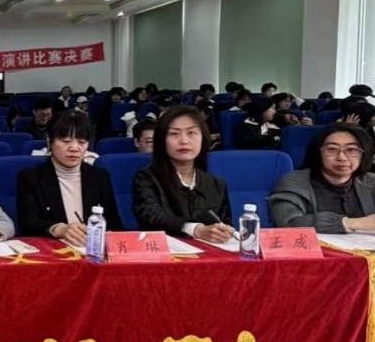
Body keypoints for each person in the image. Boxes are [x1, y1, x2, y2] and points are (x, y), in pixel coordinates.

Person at [270, 124, 375, 233]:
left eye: (352, 150)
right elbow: (289, 222)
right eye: (332, 149)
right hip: (317, 261)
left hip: (372, 260)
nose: (342, 157)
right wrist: (352, 223)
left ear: (363, 155)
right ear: (318, 153)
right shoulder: (295, 182)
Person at [17, 112, 121, 245]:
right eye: (66, 141)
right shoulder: (31, 177)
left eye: (82, 142)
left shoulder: (99, 176)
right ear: (50, 141)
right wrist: (59, 229)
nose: (75, 148)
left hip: (92, 248)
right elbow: (28, 224)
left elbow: (114, 223)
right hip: (54, 249)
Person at [132, 105, 233, 241]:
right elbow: (151, 218)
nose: (184, 141)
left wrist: (224, 232)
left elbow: (225, 223)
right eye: (174, 134)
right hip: (164, 250)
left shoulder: (216, 184)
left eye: (191, 133)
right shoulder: (146, 179)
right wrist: (194, 229)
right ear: (162, 141)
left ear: (203, 138)